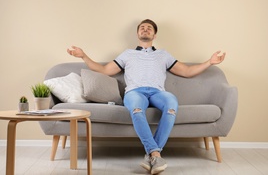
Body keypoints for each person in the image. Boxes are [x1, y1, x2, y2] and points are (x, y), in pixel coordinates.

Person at [67, 19, 225, 175]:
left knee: (171, 104)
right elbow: (105, 70)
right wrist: (84, 56)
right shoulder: (127, 54)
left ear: (154, 35)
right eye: (142, 27)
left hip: (158, 93)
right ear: (137, 33)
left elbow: (186, 71)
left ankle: (151, 153)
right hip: (134, 92)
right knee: (136, 109)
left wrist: (209, 62)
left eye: (149, 28)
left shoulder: (163, 54)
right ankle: (155, 154)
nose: (145, 29)